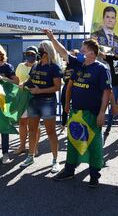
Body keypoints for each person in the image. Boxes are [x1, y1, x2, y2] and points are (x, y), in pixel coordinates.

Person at [44, 29, 111, 188]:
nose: (80, 52)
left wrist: (102, 112)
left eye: (84, 50)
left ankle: (94, 175)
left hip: (92, 114)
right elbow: (62, 51)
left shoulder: (101, 69)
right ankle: (69, 170)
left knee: (94, 146)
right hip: (76, 112)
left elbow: (107, 93)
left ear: (92, 53)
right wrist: (52, 38)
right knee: (74, 142)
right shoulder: (78, 64)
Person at [19, 40, 63, 173]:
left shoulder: (54, 67)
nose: (39, 51)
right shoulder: (35, 65)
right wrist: (24, 84)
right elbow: (31, 79)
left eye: (41, 48)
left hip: (47, 102)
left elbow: (57, 87)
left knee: (50, 132)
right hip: (33, 101)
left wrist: (40, 91)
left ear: (48, 51)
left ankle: (55, 160)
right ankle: (30, 156)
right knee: (32, 130)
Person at [14, 46, 40, 155]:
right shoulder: (20, 66)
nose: (30, 56)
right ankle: (22, 146)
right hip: (22, 97)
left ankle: (34, 147)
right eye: (28, 54)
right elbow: (16, 80)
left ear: (36, 55)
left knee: (34, 124)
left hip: (34, 97)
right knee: (22, 123)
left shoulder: (39, 66)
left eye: (32, 54)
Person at [99, 50, 118, 138]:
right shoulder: (111, 58)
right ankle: (108, 128)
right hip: (115, 86)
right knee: (113, 107)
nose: (117, 52)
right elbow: (101, 54)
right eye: (116, 50)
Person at [61, 49, 79, 128]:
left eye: (72, 55)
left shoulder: (77, 66)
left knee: (75, 107)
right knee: (64, 105)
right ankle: (63, 123)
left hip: (75, 87)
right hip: (65, 87)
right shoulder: (66, 67)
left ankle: (74, 123)